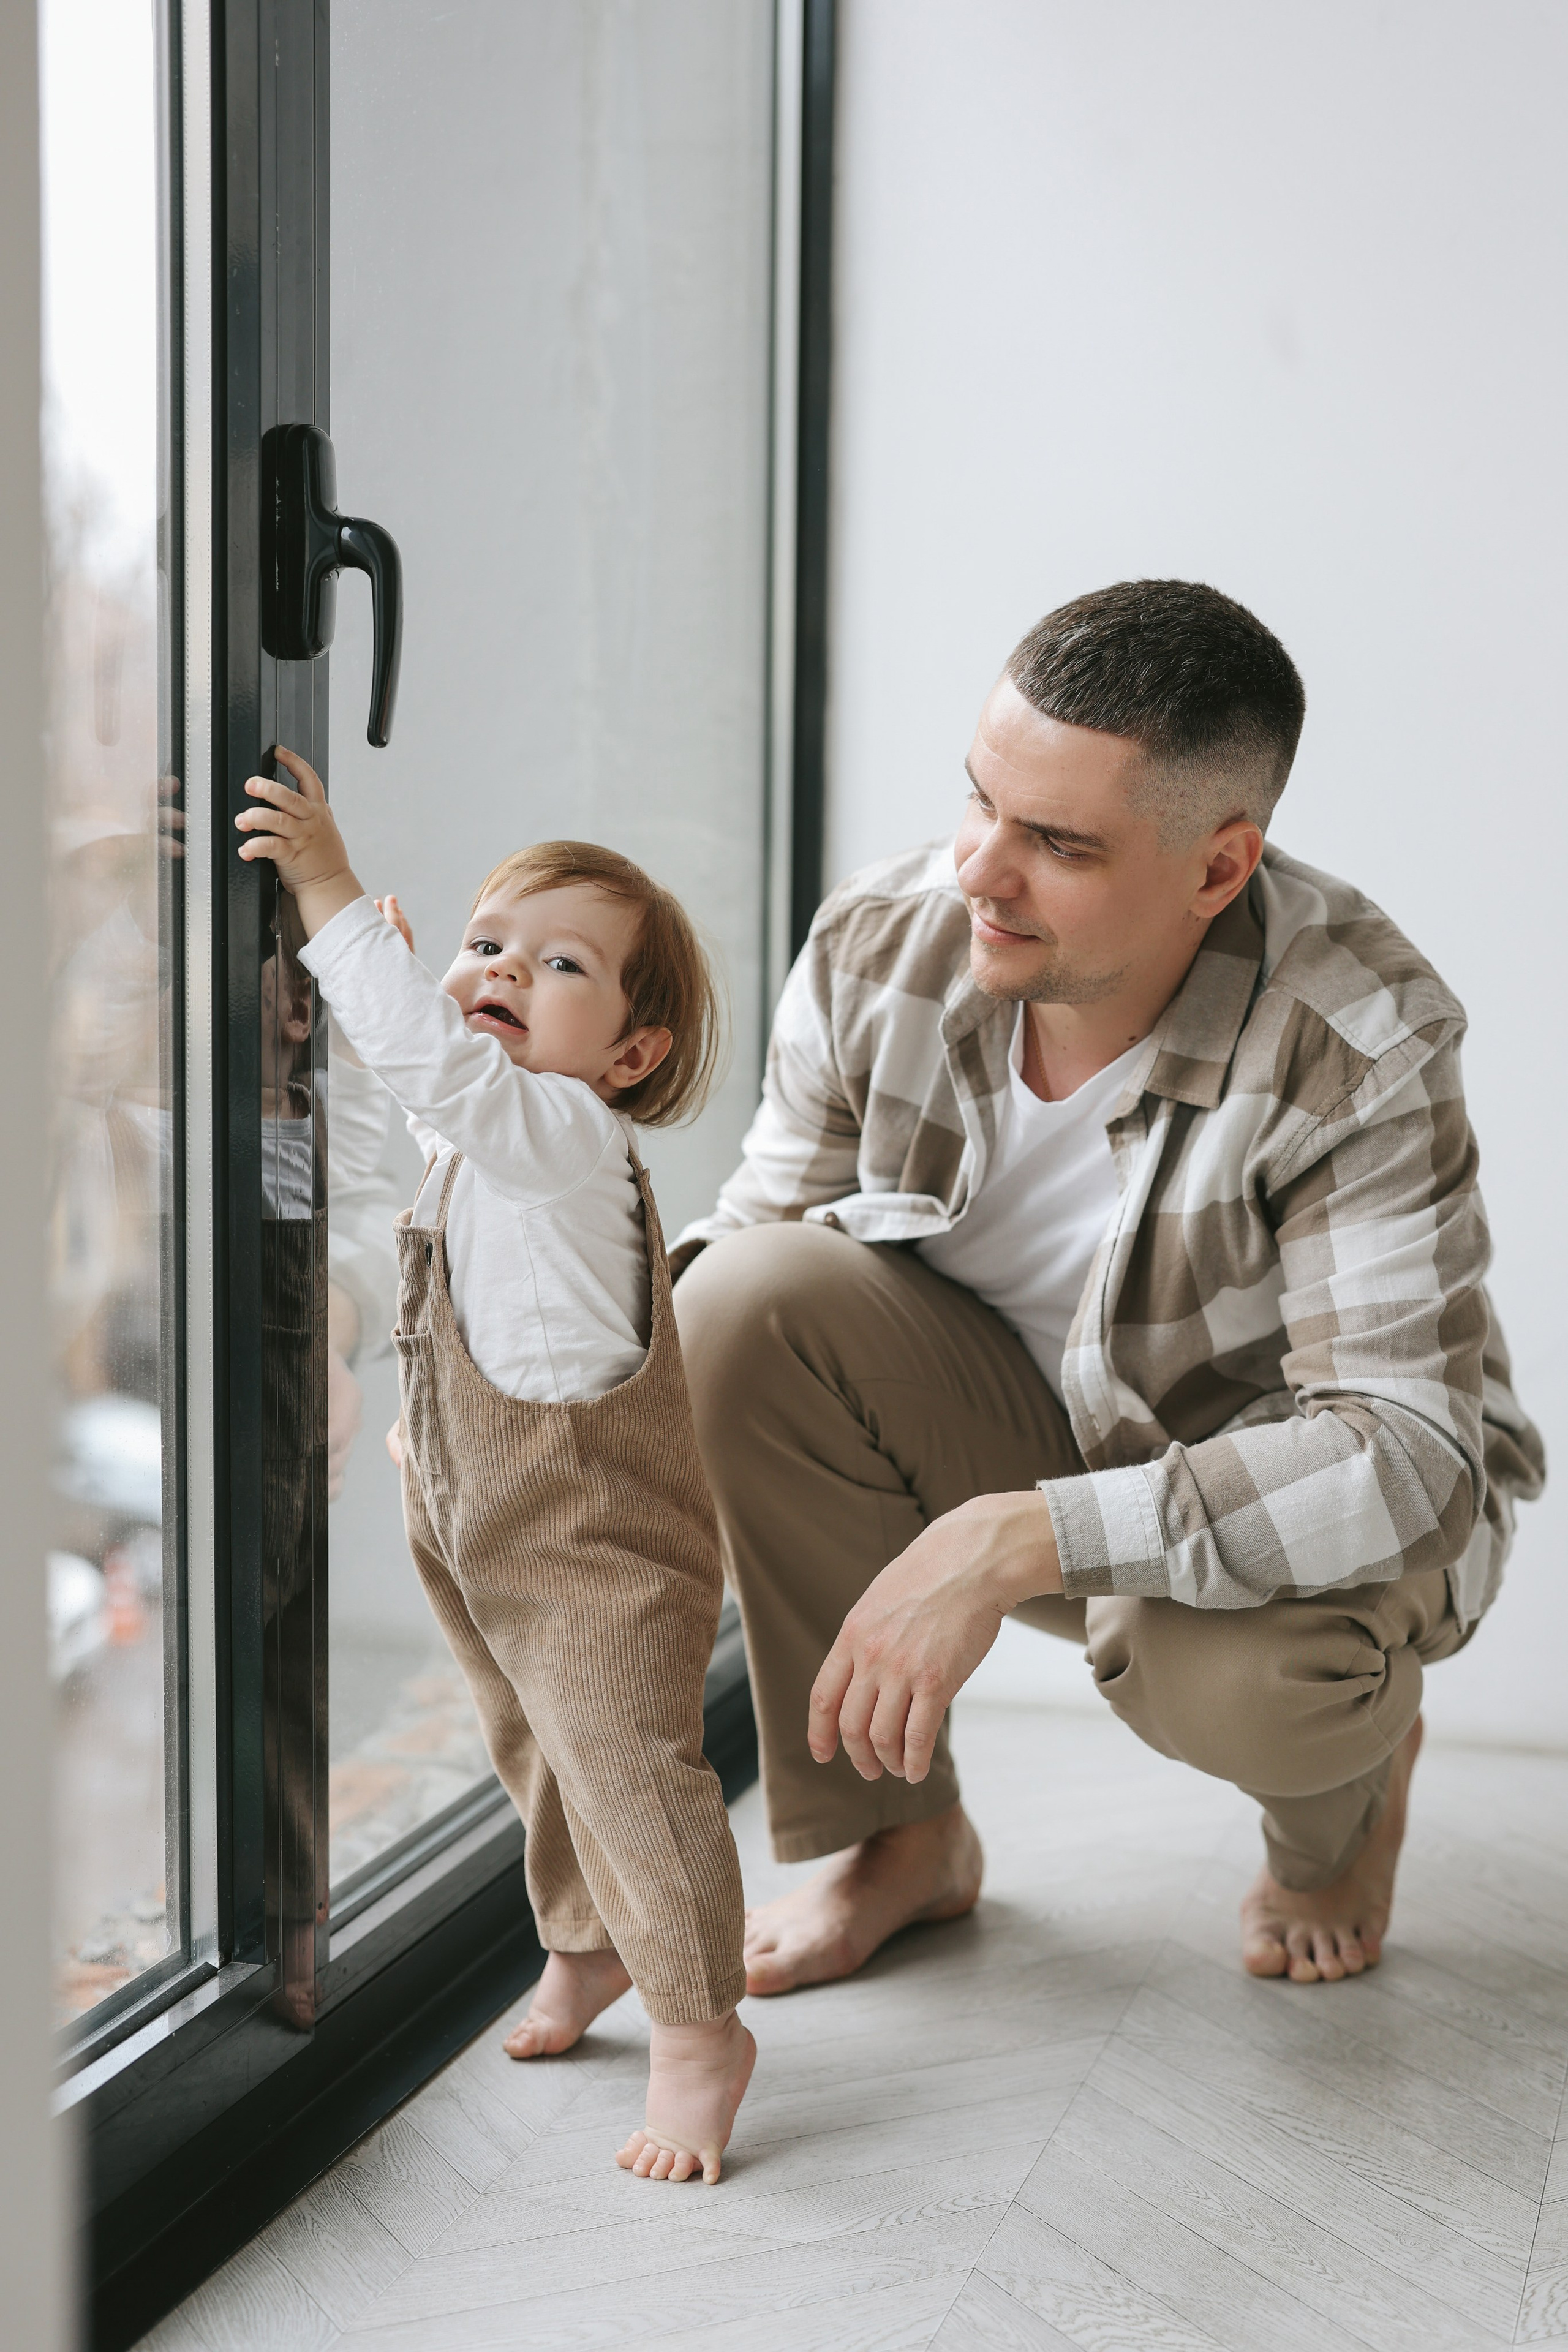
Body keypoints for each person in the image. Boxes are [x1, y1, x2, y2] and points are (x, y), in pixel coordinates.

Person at [671, 579, 1545, 1994]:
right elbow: (758, 1251)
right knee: (731, 1306)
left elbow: (1409, 1462)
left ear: (1216, 867)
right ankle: (900, 1843)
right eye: (978, 804)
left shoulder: (1354, 1036)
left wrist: (1026, 1539)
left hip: (1274, 1526)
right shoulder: (880, 941)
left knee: (1236, 1675)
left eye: (1056, 845)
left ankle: (1341, 1814)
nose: (976, 871)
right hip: (1016, 1438)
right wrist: (532, 1411)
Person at [235, 749, 754, 2184]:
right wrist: (363, 987)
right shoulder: (491, 1135)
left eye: (560, 962)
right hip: (472, 1512)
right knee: (530, 1749)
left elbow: (437, 1071)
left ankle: (702, 2028)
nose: (503, 969)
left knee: (630, 1774)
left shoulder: (565, 1137)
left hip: (589, 1539)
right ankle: (584, 1952)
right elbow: (422, 1092)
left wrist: (329, 891)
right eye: (485, 946)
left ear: (628, 1055)